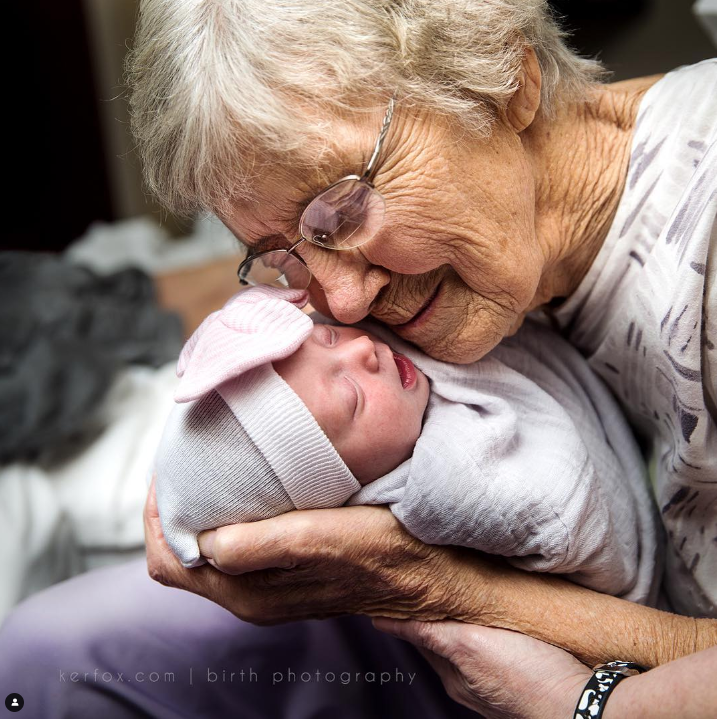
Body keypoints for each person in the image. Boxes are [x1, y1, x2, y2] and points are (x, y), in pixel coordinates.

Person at [1, 2, 715, 717]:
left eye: (341, 213)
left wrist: (473, 606)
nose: (340, 304)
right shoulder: (493, 246)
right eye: (281, 256)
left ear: (507, 78)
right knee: (48, 656)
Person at [155, 284, 658, 603]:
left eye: (326, 339)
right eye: (352, 398)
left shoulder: (379, 368)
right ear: (351, 485)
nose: (363, 350)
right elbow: (555, 508)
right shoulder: (450, 482)